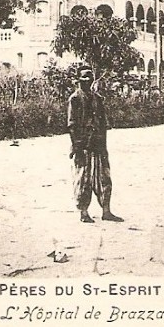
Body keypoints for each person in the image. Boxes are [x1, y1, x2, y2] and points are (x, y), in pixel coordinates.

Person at [67, 67, 122, 223]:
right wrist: (76, 146)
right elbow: (72, 125)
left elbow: (103, 124)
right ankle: (83, 213)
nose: (86, 83)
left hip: (98, 144)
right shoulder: (75, 99)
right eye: (83, 80)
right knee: (83, 179)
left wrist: (104, 146)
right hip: (83, 146)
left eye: (89, 80)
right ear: (79, 81)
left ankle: (106, 211)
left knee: (104, 178)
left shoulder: (98, 99)